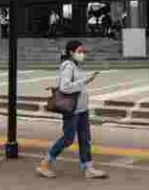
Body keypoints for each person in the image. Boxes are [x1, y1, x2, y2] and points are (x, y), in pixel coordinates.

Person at [37, 41, 107, 179]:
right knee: (68, 139)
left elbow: (70, 85)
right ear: (71, 52)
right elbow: (66, 87)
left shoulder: (74, 66)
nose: (82, 54)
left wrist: (85, 81)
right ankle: (45, 164)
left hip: (82, 109)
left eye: (83, 51)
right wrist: (86, 80)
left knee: (85, 139)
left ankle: (88, 168)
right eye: (79, 51)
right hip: (72, 110)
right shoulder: (68, 66)